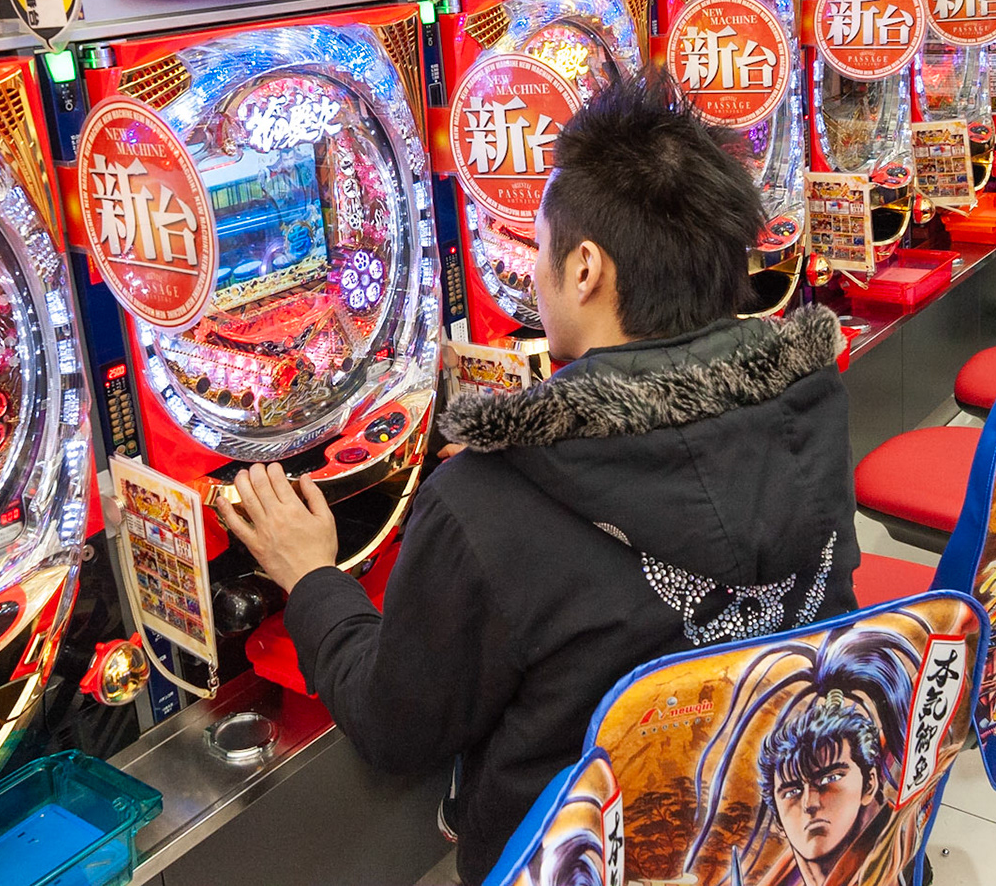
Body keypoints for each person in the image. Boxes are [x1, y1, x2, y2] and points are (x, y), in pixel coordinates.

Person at [216, 74, 860, 885]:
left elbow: (397, 727)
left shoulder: (487, 499)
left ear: (585, 268)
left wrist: (310, 576)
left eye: (538, 242)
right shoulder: (812, 399)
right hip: (779, 831)